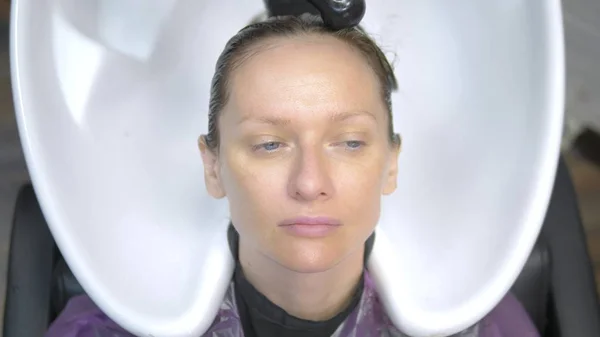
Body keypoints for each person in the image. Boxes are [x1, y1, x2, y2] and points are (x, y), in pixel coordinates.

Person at [45, 14, 540, 337]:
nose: (309, 183)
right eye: (270, 144)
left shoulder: (483, 329)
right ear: (212, 166)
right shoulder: (100, 331)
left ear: (390, 164)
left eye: (349, 142)